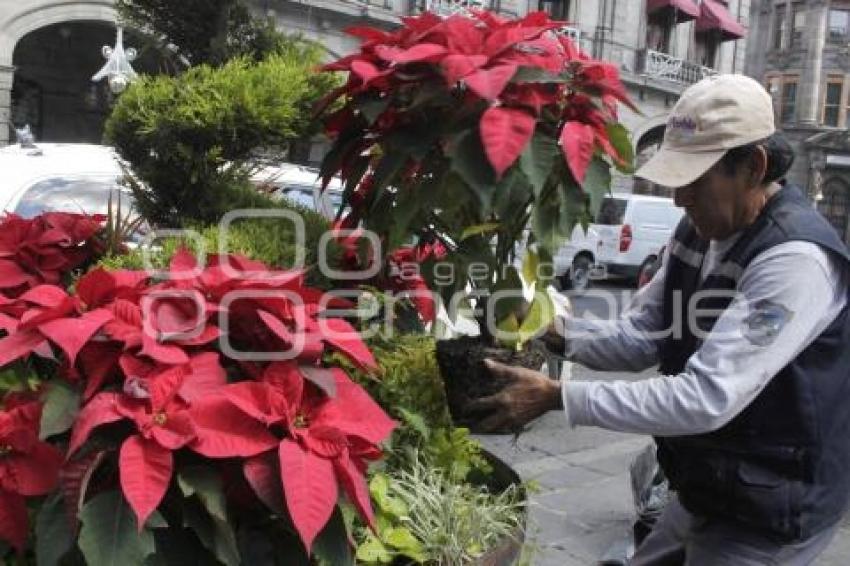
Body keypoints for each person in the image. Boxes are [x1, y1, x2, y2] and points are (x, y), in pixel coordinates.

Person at [467, 74, 850, 565]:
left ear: (752, 167)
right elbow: (645, 335)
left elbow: (706, 397)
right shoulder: (696, 233)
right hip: (705, 486)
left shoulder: (795, 260)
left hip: (768, 513)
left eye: (694, 180)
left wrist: (558, 396)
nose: (678, 199)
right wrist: (556, 335)